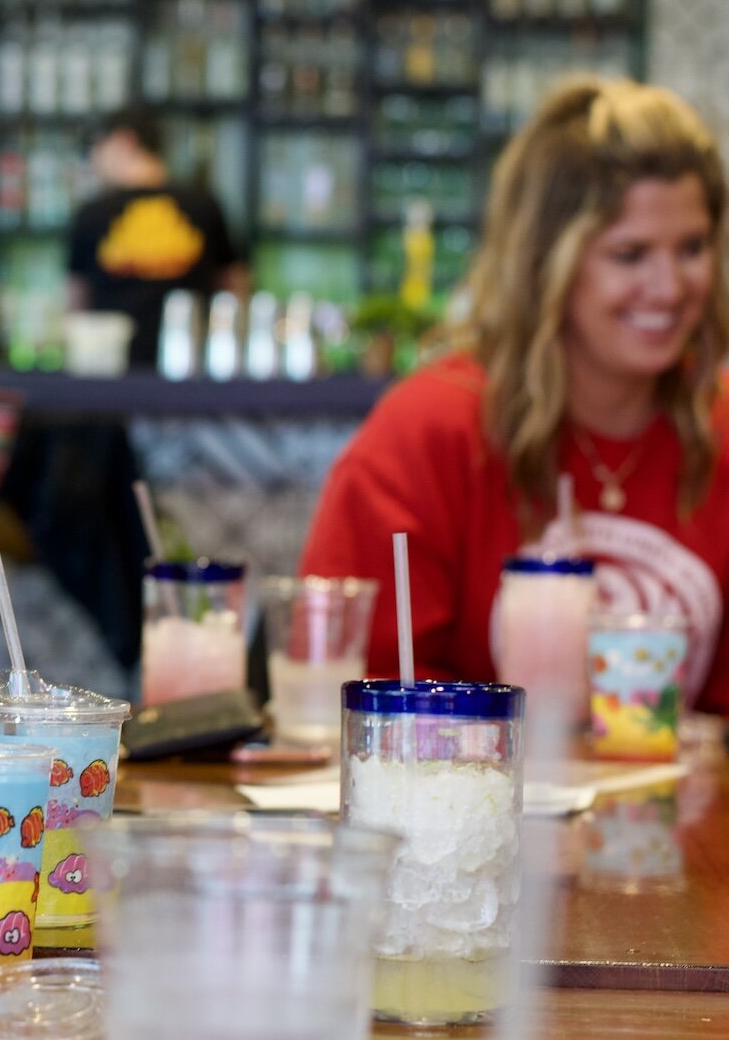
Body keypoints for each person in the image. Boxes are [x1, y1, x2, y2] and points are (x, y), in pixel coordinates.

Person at [300, 77, 729, 714]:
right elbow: (354, 698)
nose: (669, 287)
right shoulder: (429, 431)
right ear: (545, 263)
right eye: (629, 254)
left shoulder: (718, 425)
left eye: (692, 248)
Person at [66, 104, 245, 368]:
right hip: (192, 367)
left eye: (97, 147)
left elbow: (75, 302)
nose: (94, 159)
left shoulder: (93, 213)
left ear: (124, 141)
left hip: (113, 370)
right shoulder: (203, 205)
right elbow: (235, 287)